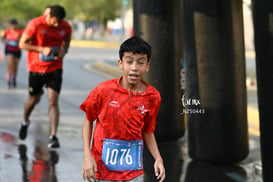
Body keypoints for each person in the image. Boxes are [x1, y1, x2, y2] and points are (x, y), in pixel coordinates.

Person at [80, 36, 166, 182]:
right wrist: (87, 156)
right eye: (129, 61)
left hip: (133, 170)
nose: (134, 67)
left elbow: (148, 130)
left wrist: (158, 158)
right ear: (120, 64)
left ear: (147, 66)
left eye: (140, 62)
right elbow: (88, 121)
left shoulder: (153, 97)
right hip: (102, 169)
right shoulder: (103, 91)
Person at [18, 5, 72, 148]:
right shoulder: (36, 24)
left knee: (53, 101)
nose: (56, 25)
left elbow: (66, 43)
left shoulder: (65, 27)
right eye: (54, 22)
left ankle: (53, 136)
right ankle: (25, 121)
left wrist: (63, 52)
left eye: (59, 23)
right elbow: (22, 43)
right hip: (36, 68)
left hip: (55, 68)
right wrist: (41, 49)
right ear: (48, 16)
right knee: (34, 99)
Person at [1, 18, 23, 88]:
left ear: (16, 25)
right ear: (10, 25)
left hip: (17, 50)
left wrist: (18, 38)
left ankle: (14, 78)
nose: (13, 26)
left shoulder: (20, 32)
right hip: (9, 50)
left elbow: (23, 41)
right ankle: (8, 81)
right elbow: (3, 38)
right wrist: (5, 41)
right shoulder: (7, 31)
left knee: (15, 67)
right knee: (10, 65)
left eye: (15, 25)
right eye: (12, 25)